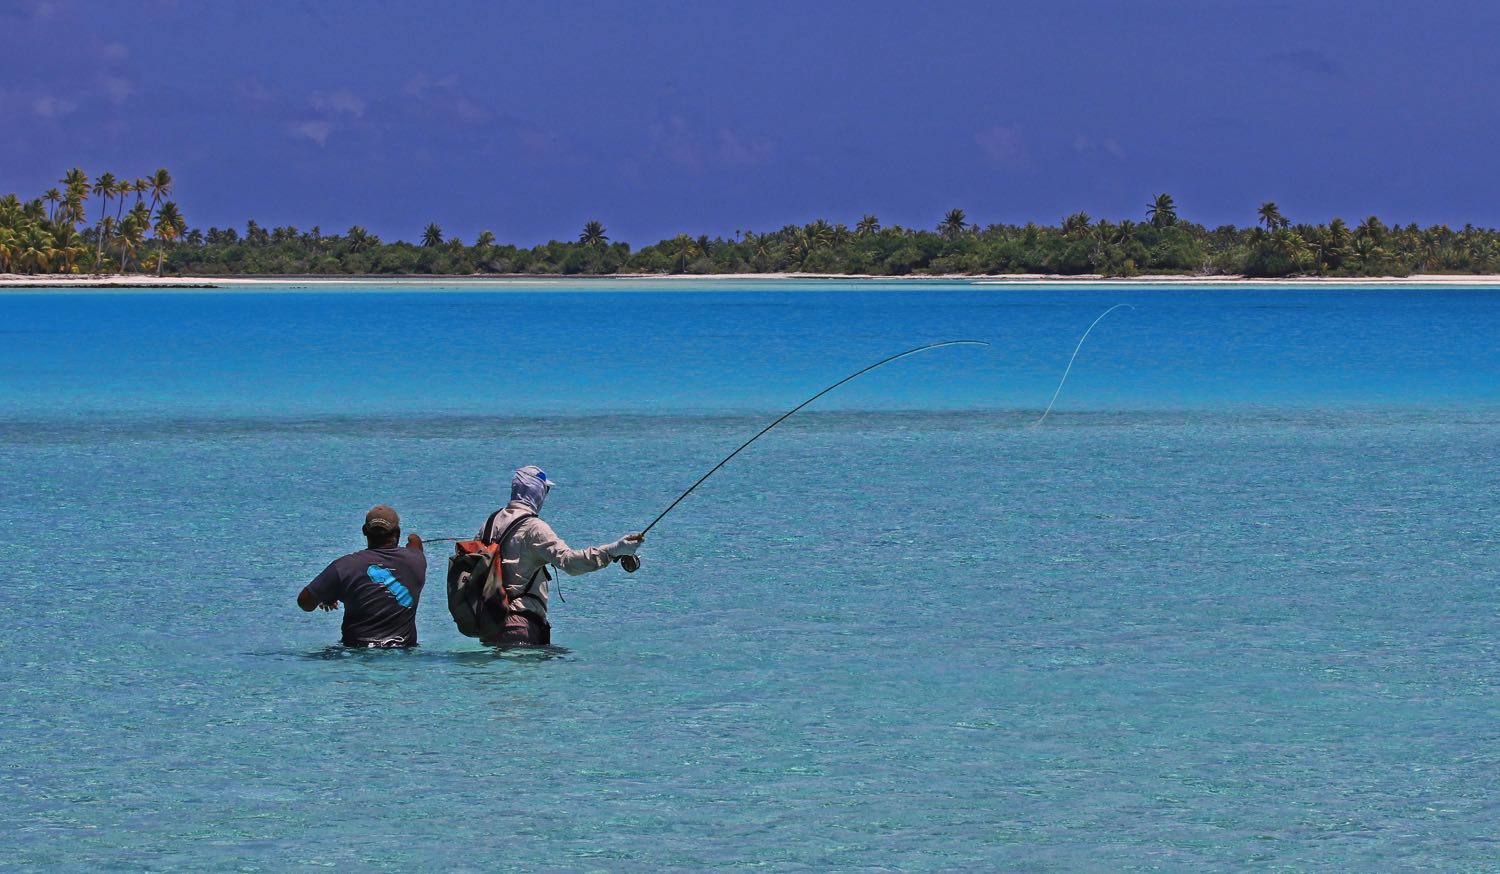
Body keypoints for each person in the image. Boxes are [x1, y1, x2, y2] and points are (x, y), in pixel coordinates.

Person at [477, 465, 642, 646]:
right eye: (545, 490)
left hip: (489, 627)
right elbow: (570, 562)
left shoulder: (490, 523)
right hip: (520, 627)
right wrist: (613, 550)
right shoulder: (534, 528)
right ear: (536, 491)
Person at [298, 504, 427, 648]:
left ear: (364, 531)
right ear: (397, 532)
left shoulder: (344, 566)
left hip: (356, 653)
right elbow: (415, 543)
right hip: (404, 652)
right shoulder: (416, 560)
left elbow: (304, 603)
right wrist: (414, 537)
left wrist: (327, 595)